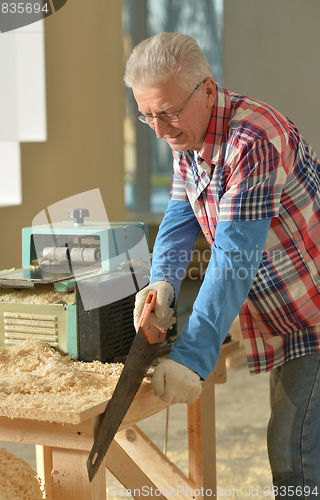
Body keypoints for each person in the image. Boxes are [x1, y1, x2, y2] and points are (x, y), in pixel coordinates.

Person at [125, 32, 320, 497]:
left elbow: (234, 257)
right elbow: (179, 216)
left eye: (168, 112)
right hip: (283, 309)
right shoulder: (186, 133)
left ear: (207, 90)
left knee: (294, 453)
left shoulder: (254, 139)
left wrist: (192, 356)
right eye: (147, 115)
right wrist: (162, 284)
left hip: (313, 311)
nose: (160, 130)